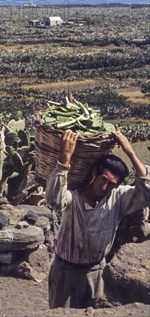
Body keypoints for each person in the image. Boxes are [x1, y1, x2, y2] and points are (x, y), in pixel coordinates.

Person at [45, 129, 150, 309]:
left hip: (96, 272)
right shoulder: (73, 197)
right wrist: (64, 160)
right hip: (65, 271)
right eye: (103, 179)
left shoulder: (119, 199)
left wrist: (129, 151)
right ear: (94, 172)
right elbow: (54, 200)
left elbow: (147, 193)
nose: (105, 186)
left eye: (112, 184)